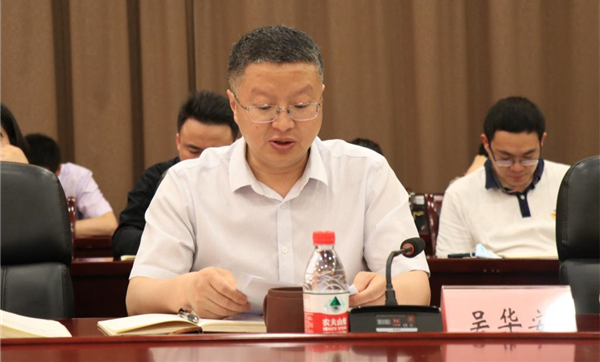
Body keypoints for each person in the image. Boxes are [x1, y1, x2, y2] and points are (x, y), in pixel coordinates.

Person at [126, 25, 430, 318]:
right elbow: (138, 297)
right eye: (263, 108)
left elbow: (415, 285)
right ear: (234, 106)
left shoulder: (367, 173)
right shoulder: (187, 183)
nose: (283, 124)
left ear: (321, 100)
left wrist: (385, 293)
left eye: (301, 105)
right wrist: (186, 291)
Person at [435, 97, 569, 258]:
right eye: (505, 158)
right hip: (494, 273)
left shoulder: (570, 182)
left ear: (542, 141)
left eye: (528, 157)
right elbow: (452, 263)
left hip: (561, 272)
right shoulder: (459, 193)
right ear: (486, 143)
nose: (517, 168)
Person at [112, 90, 239, 257]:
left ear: (234, 145)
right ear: (178, 141)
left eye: (215, 152)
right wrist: (173, 244)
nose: (203, 160)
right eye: (194, 151)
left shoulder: (248, 179)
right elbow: (124, 237)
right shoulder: (156, 178)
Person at [25, 133, 118, 237]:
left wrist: (53, 229)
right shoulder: (12, 179)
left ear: (58, 171)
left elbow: (109, 225)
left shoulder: (77, 177)